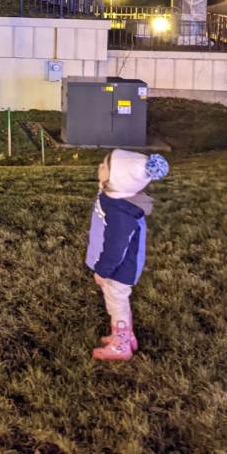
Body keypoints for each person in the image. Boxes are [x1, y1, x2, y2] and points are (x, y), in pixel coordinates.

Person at [86, 148, 169, 361]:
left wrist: (102, 271)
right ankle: (125, 335)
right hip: (119, 266)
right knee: (118, 302)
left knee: (116, 302)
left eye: (104, 167)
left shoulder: (120, 213)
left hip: (119, 270)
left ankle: (121, 345)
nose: (99, 167)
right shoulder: (115, 196)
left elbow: (116, 248)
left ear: (117, 181)